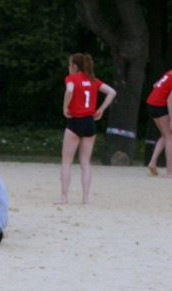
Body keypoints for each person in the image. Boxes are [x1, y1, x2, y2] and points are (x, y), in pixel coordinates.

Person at [56, 53, 116, 205]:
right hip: (90, 123)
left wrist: (65, 107)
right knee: (85, 162)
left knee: (66, 161)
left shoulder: (71, 78)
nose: (69, 67)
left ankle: (64, 197)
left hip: (75, 121)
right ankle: (86, 198)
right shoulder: (93, 80)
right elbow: (112, 92)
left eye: (70, 64)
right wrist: (101, 109)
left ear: (74, 66)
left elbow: (70, 90)